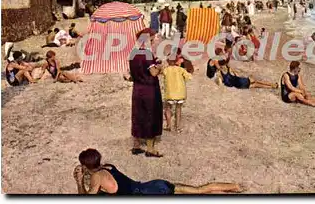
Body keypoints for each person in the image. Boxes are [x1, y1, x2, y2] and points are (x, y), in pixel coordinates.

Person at [73, 148, 243, 195]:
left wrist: (79, 181)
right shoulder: (108, 166)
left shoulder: (97, 176)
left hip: (150, 193)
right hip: (154, 185)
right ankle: (234, 186)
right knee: (199, 190)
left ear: (87, 166)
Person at [129, 28, 164, 158]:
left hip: (137, 88)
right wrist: (160, 67)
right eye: (153, 38)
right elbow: (153, 72)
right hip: (149, 89)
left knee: (138, 115)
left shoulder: (133, 53)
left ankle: (136, 145)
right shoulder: (148, 54)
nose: (155, 40)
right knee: (151, 115)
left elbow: (132, 73)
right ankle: (150, 149)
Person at [162, 56, 192, 133]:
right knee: (178, 110)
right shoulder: (181, 69)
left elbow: (161, 74)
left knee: (168, 109)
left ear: (168, 61)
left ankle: (169, 125)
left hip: (170, 93)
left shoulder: (166, 70)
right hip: (180, 93)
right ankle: (178, 127)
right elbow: (189, 77)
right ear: (176, 61)